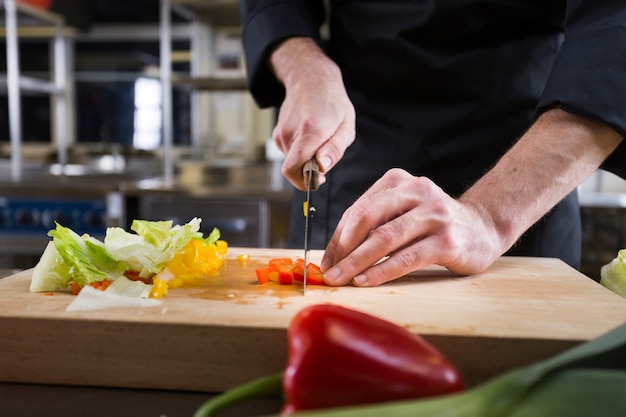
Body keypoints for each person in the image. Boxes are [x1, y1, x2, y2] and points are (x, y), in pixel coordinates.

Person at [238, 0, 626, 287]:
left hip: (526, 168)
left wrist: (490, 217)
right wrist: (303, 65)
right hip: (356, 141)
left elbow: (614, 30)